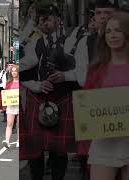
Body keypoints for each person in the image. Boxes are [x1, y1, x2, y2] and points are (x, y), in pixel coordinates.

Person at [21, 4, 81, 180]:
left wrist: (66, 76)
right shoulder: (34, 42)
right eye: (41, 20)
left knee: (59, 151)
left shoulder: (72, 39)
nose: (44, 23)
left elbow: (85, 69)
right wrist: (34, 85)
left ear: (58, 20)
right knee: (35, 149)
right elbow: (19, 66)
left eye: (48, 19)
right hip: (39, 98)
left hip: (63, 98)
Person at [84, 10, 129, 180]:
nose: (112, 35)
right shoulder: (96, 69)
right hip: (104, 141)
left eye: (118, 30)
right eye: (108, 31)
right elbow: (86, 104)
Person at [2, 65, 19, 148]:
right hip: (11, 105)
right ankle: (7, 141)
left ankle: (19, 140)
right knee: (9, 123)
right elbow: (5, 94)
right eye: (12, 71)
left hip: (20, 105)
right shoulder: (8, 83)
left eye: (15, 71)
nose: (14, 72)